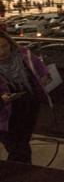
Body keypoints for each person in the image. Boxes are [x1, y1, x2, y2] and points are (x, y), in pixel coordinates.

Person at [0, 31, 51, 163]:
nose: (2, 52)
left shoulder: (22, 55)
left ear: (10, 44)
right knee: (18, 149)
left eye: (4, 46)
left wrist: (43, 78)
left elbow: (41, 68)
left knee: (22, 145)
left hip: (28, 109)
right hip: (5, 116)